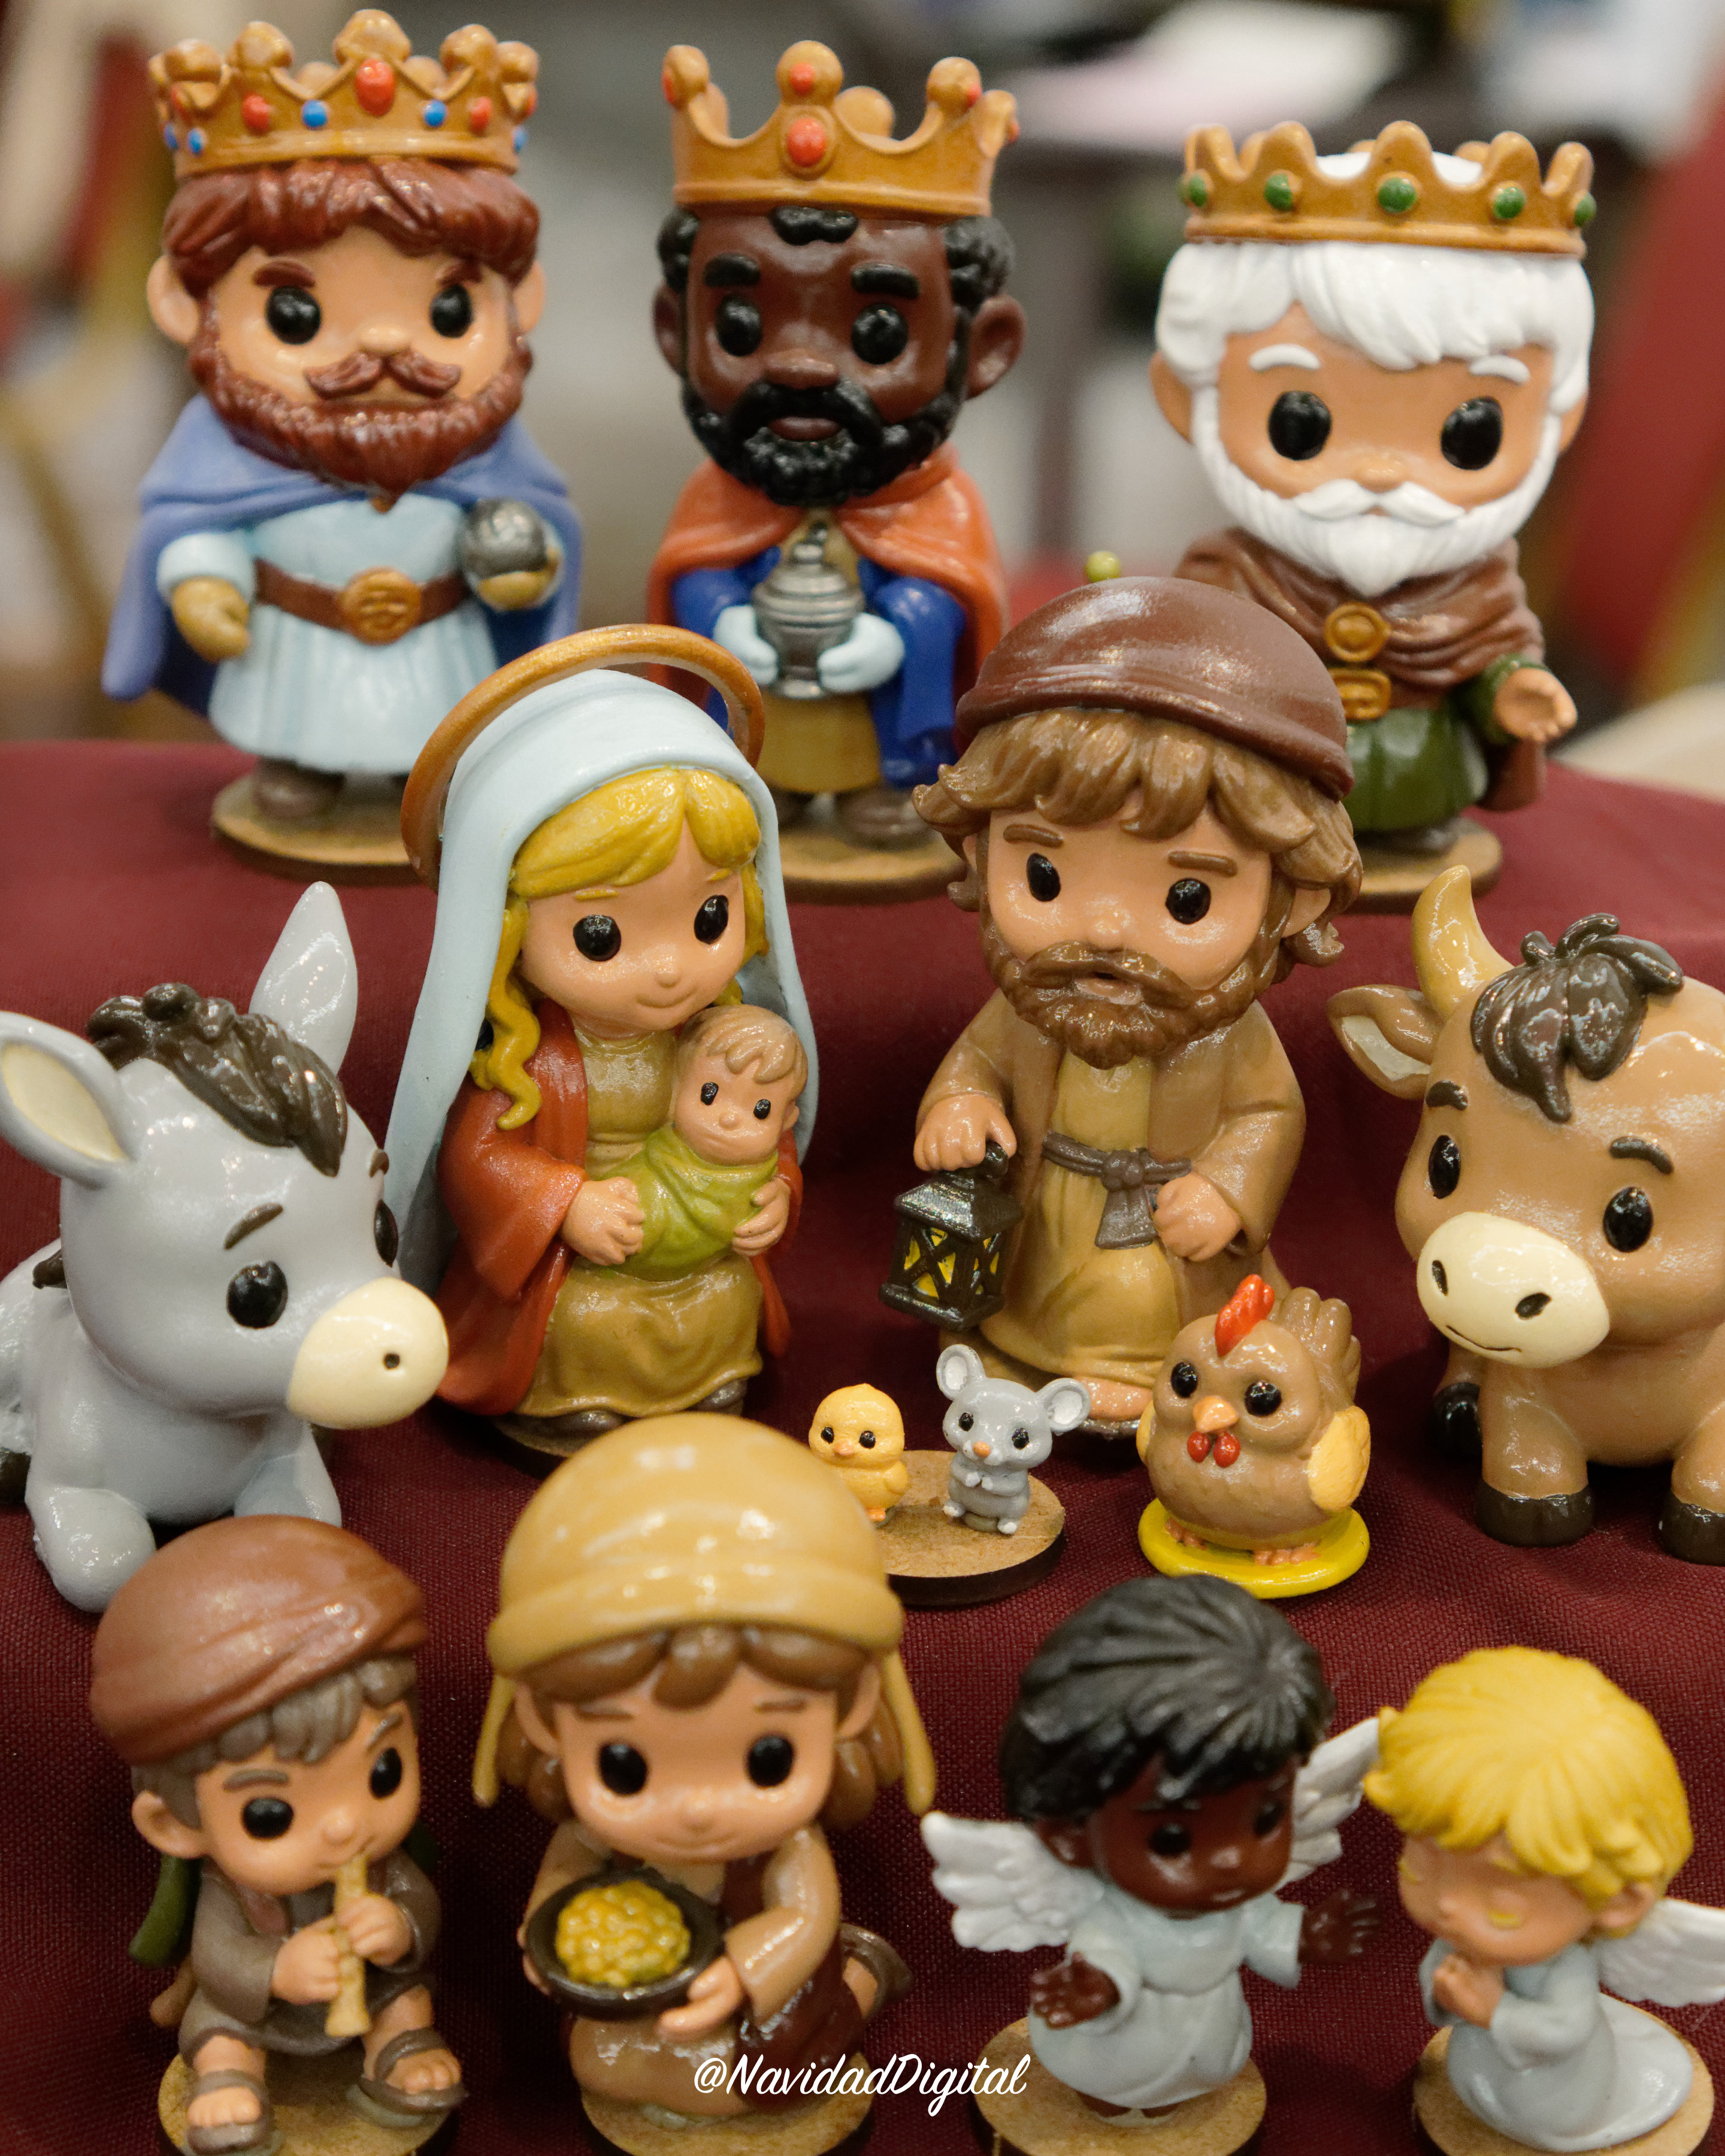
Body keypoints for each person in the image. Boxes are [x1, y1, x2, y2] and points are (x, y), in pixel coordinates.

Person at [104, 10, 577, 824]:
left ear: (520, 303)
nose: (385, 345)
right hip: (298, 652)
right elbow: (198, 528)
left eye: (449, 312)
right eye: (295, 315)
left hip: (436, 648)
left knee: (438, 748)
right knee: (294, 757)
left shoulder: (492, 454)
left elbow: (532, 528)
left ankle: (422, 773)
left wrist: (527, 567)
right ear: (186, 305)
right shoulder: (223, 460)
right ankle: (300, 769)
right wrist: (205, 581)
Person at [912, 574, 1359, 1436]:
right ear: (978, 851)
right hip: (1045, 1214)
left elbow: (1270, 1114)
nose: (1108, 930)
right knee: (1039, 1284)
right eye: (1045, 876)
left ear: (1293, 899)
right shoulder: (1032, 1009)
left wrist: (1225, 1191)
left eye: (1187, 899)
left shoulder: (1229, 1036)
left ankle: (1149, 1373)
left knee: (1144, 1296)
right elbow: (978, 1061)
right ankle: (1025, 1348)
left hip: (1162, 1232)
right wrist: (961, 1104)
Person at [383, 626, 817, 1455]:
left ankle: (709, 1379)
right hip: (579, 1264)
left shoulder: (718, 1034)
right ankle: (576, 1400)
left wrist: (777, 1194)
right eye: (601, 935)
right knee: (583, 1317)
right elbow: (478, 1159)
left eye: (709, 917)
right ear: (509, 929)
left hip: (695, 1253)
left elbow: (770, 1123)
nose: (669, 970)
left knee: (724, 1296)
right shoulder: (534, 1059)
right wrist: (566, 1203)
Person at [473, 1417, 934, 2128]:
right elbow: (569, 1866)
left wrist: (742, 1974)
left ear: (851, 1706)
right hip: (644, 1997)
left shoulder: (783, 1846)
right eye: (625, 1766)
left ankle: (860, 1978)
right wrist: (547, 1928)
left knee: (743, 2077)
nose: (697, 1810)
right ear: (543, 1722)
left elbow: (804, 1912)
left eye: (767, 1759)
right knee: (603, 2061)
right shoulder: (599, 1837)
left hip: (759, 1996)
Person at [1152, 122, 1594, 859]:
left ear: (1561, 420)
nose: (1382, 473)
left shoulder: (1479, 591)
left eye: (1469, 435)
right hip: (1272, 793)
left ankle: (1417, 830)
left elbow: (1494, 660)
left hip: (1427, 771)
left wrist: (1514, 690)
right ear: (1183, 399)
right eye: (1302, 425)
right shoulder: (1231, 577)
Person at [646, 40, 1022, 851]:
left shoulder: (942, 510)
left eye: (878, 334)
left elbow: (954, 600)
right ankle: (752, 772)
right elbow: (695, 577)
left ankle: (895, 778)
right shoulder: (715, 498)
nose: (802, 365)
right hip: (764, 710)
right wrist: (722, 620)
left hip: (869, 719)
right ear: (675, 331)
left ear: (982, 349)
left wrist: (903, 627)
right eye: (741, 325)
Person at [89, 1516, 462, 2156]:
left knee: (405, 1995)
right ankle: (230, 2080)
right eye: (271, 1815)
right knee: (220, 2027)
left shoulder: (382, 1864)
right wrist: (278, 1969)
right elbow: (217, 1957)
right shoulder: (235, 1891)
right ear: (176, 1824)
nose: (344, 1824)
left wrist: (399, 1926)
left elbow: (418, 1901)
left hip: (369, 1987)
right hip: (260, 2011)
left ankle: (400, 2050)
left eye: (382, 1773)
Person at [1367, 1648, 1715, 2154]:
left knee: (1536, 2108)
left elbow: (1564, 2030)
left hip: (1554, 2093)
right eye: (1418, 1868)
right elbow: (1439, 1980)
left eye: (1503, 1907)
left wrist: (1493, 2010)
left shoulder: (1563, 1967)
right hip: (1482, 2065)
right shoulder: (1465, 1937)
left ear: (1619, 1901)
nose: (1447, 1908)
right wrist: (1445, 1992)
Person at [607, 1004, 807, 1280]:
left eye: (760, 1110)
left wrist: (782, 1193)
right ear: (676, 1086)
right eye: (708, 1094)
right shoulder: (649, 1174)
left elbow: (784, 1163)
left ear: (787, 1119)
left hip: (713, 1276)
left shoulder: (762, 1179)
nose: (729, 1119)